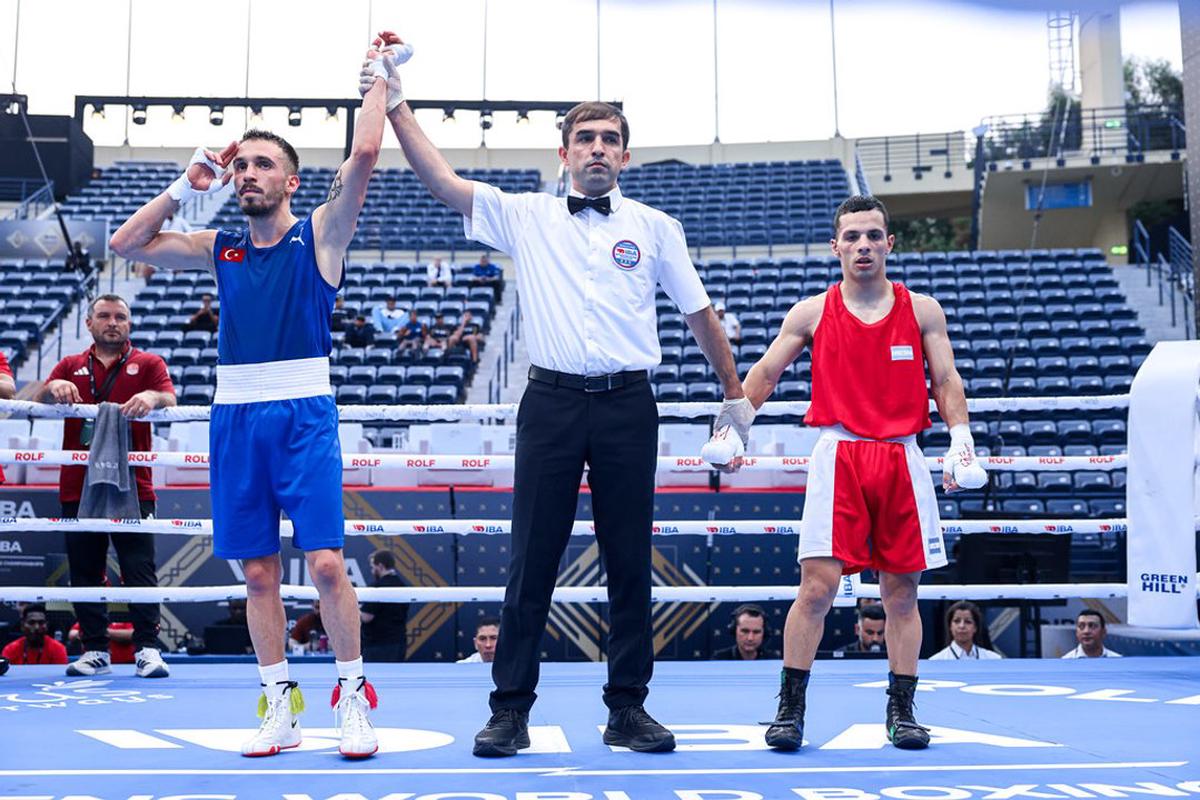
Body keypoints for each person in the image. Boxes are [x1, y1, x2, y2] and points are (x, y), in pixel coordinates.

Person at [373, 37, 750, 757]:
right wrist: (394, 101)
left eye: (611, 139)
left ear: (626, 158)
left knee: (629, 561)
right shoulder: (526, 215)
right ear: (564, 153)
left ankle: (628, 710)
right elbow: (444, 182)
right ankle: (510, 710)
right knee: (531, 560)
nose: (599, 149)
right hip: (548, 403)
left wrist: (734, 397)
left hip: (628, 406)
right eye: (587, 138)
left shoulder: (657, 229)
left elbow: (700, 314)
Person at [107, 38, 398, 759]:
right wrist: (188, 179)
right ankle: (279, 704)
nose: (247, 175)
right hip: (235, 416)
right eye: (240, 166)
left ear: (293, 182)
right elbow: (127, 243)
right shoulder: (220, 248)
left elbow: (362, 157)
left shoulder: (320, 236)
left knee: (327, 564)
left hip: (303, 413)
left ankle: (353, 695)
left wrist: (379, 82)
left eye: (262, 164)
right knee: (259, 572)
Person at [717, 194, 987, 752]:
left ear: (889, 243)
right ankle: (790, 711)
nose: (863, 245)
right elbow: (764, 373)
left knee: (901, 594)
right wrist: (733, 428)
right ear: (835, 246)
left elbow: (947, 380)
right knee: (816, 588)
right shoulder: (811, 311)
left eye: (872, 235)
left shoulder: (923, 310)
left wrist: (961, 441)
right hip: (838, 455)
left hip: (901, 456)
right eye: (852, 236)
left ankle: (903, 711)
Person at [41, 294, 176, 680]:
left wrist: (152, 396)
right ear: (89, 323)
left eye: (120, 317)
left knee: (139, 568)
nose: (113, 322)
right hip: (77, 484)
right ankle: (94, 649)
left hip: (134, 484)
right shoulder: (69, 365)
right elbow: (34, 397)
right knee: (85, 568)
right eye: (104, 315)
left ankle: (148, 649)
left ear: (129, 324)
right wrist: (54, 388)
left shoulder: (148, 363)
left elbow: (169, 397)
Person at [360, 550, 408, 663]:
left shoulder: (377, 587)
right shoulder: (402, 585)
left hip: (378, 645)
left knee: (376, 679)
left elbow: (366, 617)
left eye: (373, 567)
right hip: (398, 643)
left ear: (380, 566)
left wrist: (351, 609)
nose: (372, 571)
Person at [929, 600, 1001, 660]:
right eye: (957, 621)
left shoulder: (993, 659)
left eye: (968, 621)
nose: (962, 626)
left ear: (975, 627)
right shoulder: (936, 660)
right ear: (950, 626)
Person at [1, 604, 68, 665]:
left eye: (41, 623)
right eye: (31, 622)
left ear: (47, 626)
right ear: (22, 625)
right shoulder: (10, 650)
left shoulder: (58, 649)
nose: (36, 627)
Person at [69, 619, 135, 664]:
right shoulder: (91, 621)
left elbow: (131, 635)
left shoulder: (125, 620)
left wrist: (100, 632)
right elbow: (72, 635)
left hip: (127, 663)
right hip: (94, 662)